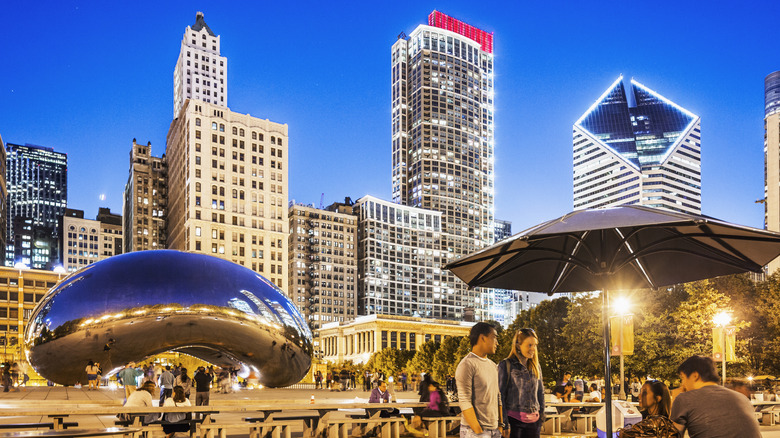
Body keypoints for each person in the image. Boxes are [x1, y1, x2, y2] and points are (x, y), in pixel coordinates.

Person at [669, 355, 760, 437]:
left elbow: (672, 436)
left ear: (695, 376)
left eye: (683, 378)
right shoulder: (742, 398)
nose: (683, 384)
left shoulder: (684, 398)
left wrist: (674, 401)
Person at [456, 322, 504, 438]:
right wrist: (478, 431)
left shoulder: (493, 366)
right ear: (482, 338)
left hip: (494, 430)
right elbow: (464, 401)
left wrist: (500, 425)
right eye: (494, 338)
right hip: (474, 431)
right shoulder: (467, 364)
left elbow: (498, 397)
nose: (497, 343)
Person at [498, 328, 544, 438]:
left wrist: (541, 416)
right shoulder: (506, 365)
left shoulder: (536, 366)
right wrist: (504, 423)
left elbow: (540, 392)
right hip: (513, 422)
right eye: (529, 345)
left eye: (535, 345)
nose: (533, 349)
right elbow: (500, 396)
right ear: (518, 346)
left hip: (534, 423)